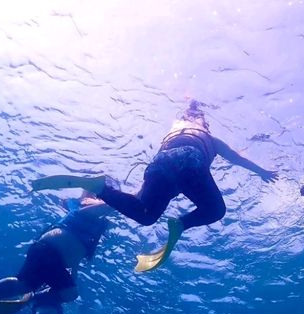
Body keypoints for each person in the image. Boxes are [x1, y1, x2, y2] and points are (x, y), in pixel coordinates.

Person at [31, 99, 279, 271]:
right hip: (190, 162)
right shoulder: (210, 138)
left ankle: (100, 188)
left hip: (160, 163)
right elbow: (237, 158)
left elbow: (143, 190)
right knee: (215, 210)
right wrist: (262, 171)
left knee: (146, 214)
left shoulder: (174, 130)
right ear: (205, 125)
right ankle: (182, 224)